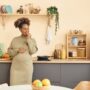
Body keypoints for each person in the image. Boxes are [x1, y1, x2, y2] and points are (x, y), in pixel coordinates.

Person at [8, 17, 38, 85]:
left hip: (27, 69)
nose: (27, 30)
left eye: (28, 28)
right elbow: (9, 52)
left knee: (26, 87)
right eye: (24, 28)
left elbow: (32, 51)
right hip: (15, 69)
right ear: (20, 29)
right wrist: (17, 50)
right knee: (14, 88)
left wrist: (28, 39)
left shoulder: (32, 40)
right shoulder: (15, 39)